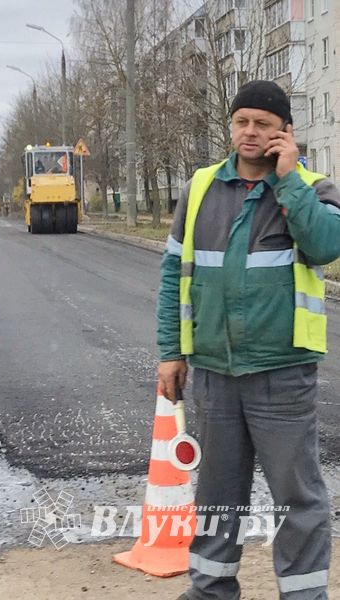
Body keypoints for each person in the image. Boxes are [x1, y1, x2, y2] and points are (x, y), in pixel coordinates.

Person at [157, 80, 340, 600]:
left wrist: (288, 181)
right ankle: (210, 590)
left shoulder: (313, 187)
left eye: (263, 124)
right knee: (218, 496)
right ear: (231, 125)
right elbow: (174, 274)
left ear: (285, 132)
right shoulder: (199, 188)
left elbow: (326, 246)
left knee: (296, 497)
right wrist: (171, 351)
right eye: (242, 122)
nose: (250, 133)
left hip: (281, 373)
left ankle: (304, 595)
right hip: (215, 373)